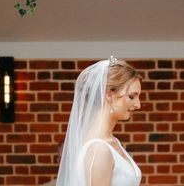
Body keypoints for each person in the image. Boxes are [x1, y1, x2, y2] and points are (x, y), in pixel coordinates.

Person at [56, 56, 142, 186]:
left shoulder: (112, 142)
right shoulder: (98, 149)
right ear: (109, 94)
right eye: (132, 96)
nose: (138, 105)